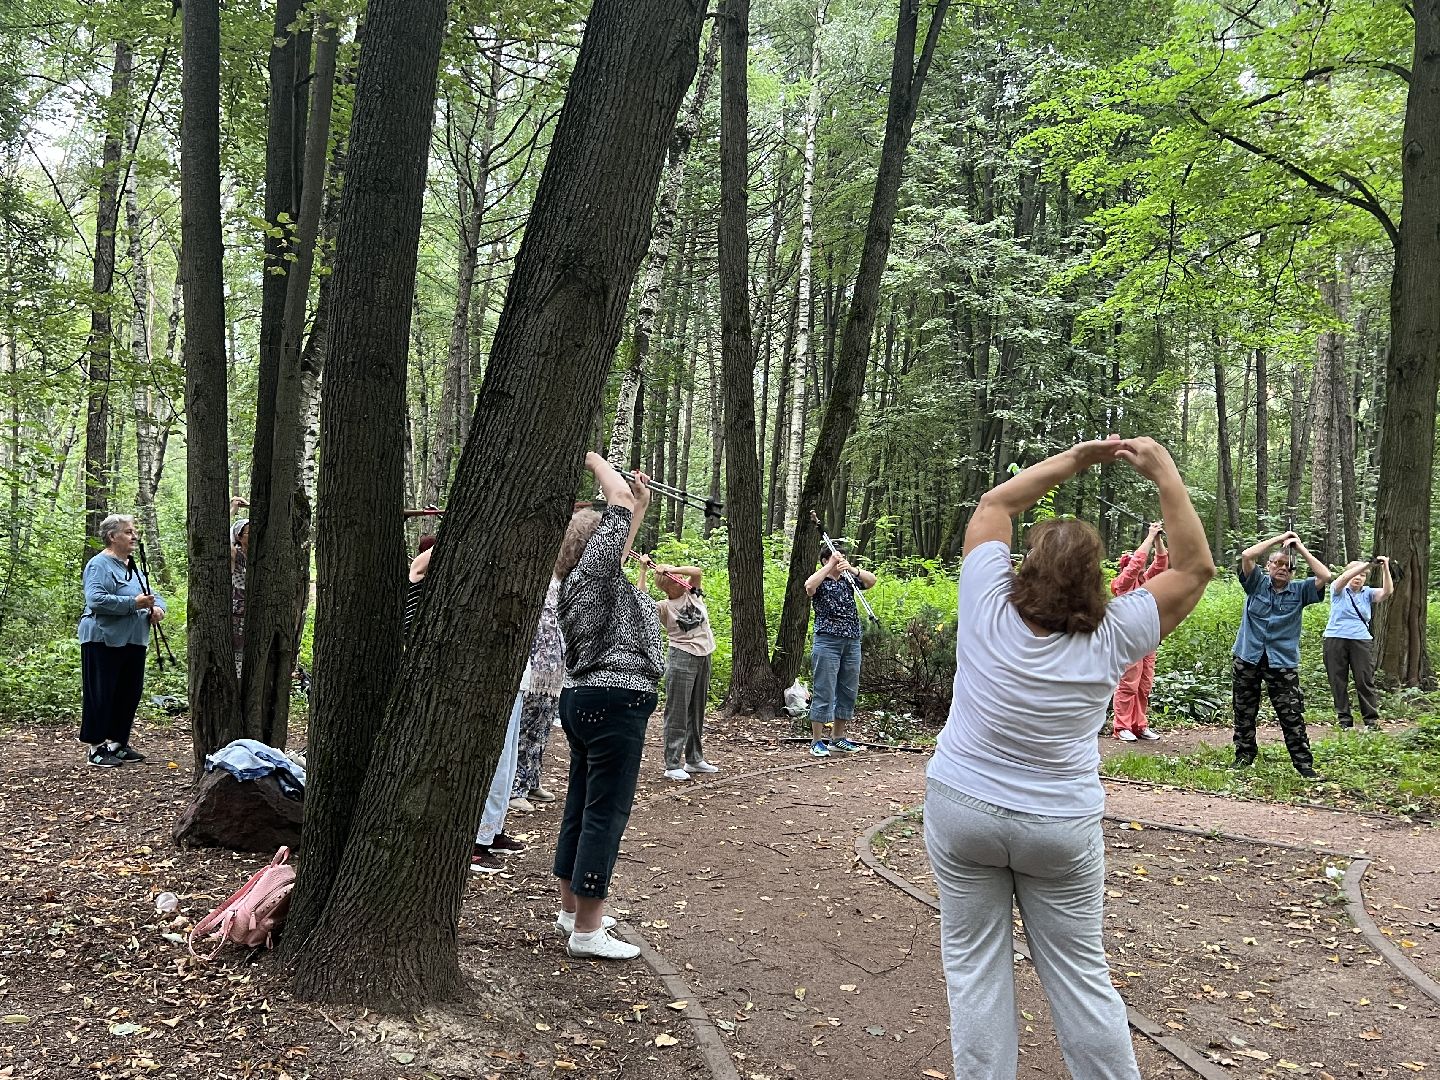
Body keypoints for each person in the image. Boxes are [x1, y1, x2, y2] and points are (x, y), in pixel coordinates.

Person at [924, 436, 1213, 1080]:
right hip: (1058, 825)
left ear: (1024, 567)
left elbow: (996, 505)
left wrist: (1076, 459)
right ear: (1097, 580)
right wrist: (1164, 474)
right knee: (1081, 974)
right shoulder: (1117, 631)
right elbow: (1195, 568)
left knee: (973, 967)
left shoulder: (986, 600)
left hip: (963, 807)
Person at [552, 453, 662, 961]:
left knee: (582, 805)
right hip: (614, 702)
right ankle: (587, 930)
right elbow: (614, 498)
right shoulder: (594, 576)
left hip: (586, 698)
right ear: (597, 543)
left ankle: (572, 909)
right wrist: (594, 458)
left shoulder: (588, 579)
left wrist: (640, 502)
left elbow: (623, 512)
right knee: (605, 813)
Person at [1231, 530, 1331, 777]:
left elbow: (1325, 575)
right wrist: (1279, 539)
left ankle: (1304, 765)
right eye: (1277, 563)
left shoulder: (1300, 591)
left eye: (1288, 566)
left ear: (1293, 572)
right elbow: (1247, 555)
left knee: (1291, 714)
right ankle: (1244, 757)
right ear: (1268, 566)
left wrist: (1299, 547)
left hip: (1282, 663)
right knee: (1244, 711)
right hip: (1248, 657)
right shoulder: (1256, 583)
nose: (1283, 568)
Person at [78, 514, 168, 768]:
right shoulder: (99, 565)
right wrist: (133, 604)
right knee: (101, 692)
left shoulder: (133, 566)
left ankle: (117, 744)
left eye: (134, 532)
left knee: (129, 692)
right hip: (103, 638)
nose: (134, 536)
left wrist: (158, 609)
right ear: (112, 536)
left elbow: (154, 595)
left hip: (134, 640)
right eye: (128, 532)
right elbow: (95, 600)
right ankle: (96, 748)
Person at [637, 556, 718, 782]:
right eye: (676, 579)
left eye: (681, 577)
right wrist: (644, 571)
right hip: (682, 657)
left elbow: (697, 571)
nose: (682, 579)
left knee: (697, 710)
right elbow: (640, 600)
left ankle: (694, 759)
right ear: (668, 586)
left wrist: (672, 568)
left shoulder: (693, 593)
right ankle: (672, 764)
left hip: (704, 654)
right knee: (678, 711)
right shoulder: (664, 607)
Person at [804, 543, 876, 757]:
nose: (840, 561)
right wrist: (830, 566)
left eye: (842, 557)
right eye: (836, 557)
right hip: (827, 640)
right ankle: (816, 741)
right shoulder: (821, 579)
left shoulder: (848, 579)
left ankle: (838, 738)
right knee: (824, 689)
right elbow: (809, 587)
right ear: (825, 560)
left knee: (848, 690)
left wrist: (851, 568)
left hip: (851, 640)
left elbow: (871, 580)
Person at [508, 574, 565, 813]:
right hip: (534, 671)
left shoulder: (559, 583)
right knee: (525, 729)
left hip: (553, 673)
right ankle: (515, 788)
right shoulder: (531, 578)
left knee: (542, 729)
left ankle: (532, 781)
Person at [1109, 521, 1168, 741]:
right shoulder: (1121, 584)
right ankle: (1121, 726)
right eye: (1133, 564)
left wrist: (1158, 539)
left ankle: (1139, 725)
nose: (1139, 567)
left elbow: (1161, 562)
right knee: (1128, 684)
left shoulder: (1147, 581)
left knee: (1144, 685)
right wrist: (1150, 536)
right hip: (1129, 641)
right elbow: (1136, 564)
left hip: (1148, 640)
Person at [1323, 556, 1393, 730]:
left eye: (1363, 575)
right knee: (1338, 680)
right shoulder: (1338, 589)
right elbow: (1343, 578)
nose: (1358, 577)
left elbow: (1387, 592)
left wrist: (1385, 567)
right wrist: (1367, 564)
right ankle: (1344, 720)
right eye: (1356, 573)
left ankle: (1371, 721)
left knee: (1364, 679)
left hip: (1361, 639)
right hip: (1335, 638)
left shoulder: (1368, 593)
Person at [231, 518, 250, 677]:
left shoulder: (259, 554)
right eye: (248, 532)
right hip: (239, 609)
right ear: (239, 536)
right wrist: (232, 511)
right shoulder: (236, 553)